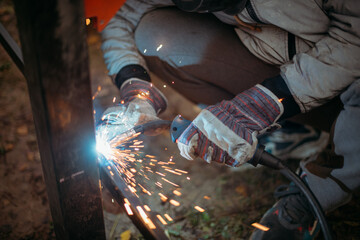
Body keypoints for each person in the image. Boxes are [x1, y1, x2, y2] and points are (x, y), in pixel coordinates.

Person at [98, 0, 360, 238]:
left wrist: (260, 106)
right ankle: (285, 127)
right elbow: (120, 18)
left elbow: (355, 38)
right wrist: (136, 91)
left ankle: (319, 187)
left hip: (349, 75)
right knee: (151, 32)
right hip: (284, 62)